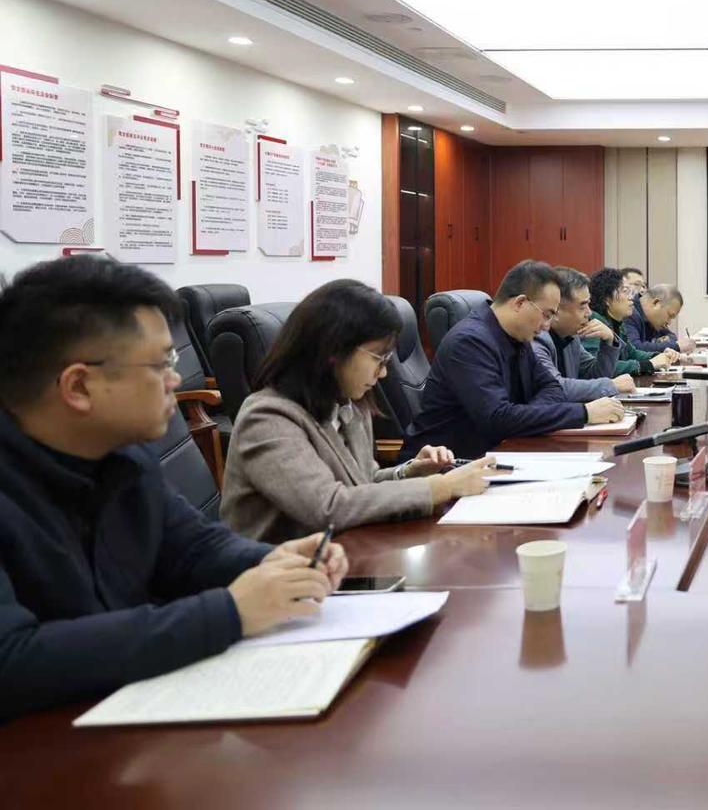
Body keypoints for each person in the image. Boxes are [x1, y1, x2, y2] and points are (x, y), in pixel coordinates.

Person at [0, 256, 349, 721]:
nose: (175, 380)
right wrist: (229, 612)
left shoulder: (125, 455)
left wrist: (271, 562)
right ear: (78, 386)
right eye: (162, 363)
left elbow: (192, 550)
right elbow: (12, 661)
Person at [223, 280, 499, 543]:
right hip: (279, 568)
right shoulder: (267, 418)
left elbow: (362, 483)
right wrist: (442, 487)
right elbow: (328, 507)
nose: (384, 373)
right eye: (379, 358)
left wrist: (409, 472)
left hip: (346, 552)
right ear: (333, 350)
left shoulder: (349, 404)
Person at [404, 261, 624, 461]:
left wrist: (523, 416)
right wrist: (584, 413)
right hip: (447, 465)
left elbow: (552, 387)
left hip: (499, 453)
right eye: (547, 314)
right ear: (520, 303)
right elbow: (498, 419)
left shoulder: (518, 337)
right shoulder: (470, 342)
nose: (547, 325)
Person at [531, 266, 633, 401]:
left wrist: (609, 341)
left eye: (588, 304)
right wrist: (611, 385)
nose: (589, 313)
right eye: (582, 306)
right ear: (556, 309)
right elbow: (555, 387)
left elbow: (594, 374)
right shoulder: (536, 338)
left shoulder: (571, 337)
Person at [587, 267, 678, 379]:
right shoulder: (594, 323)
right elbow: (599, 367)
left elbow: (632, 353)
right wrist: (647, 365)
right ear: (607, 299)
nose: (631, 298)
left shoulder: (618, 322)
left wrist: (659, 356)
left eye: (631, 292)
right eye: (625, 291)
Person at [625, 284, 684, 354]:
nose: (669, 322)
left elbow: (670, 335)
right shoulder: (629, 313)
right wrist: (676, 346)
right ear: (656, 303)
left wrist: (668, 341)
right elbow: (634, 349)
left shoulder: (652, 320)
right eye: (670, 316)